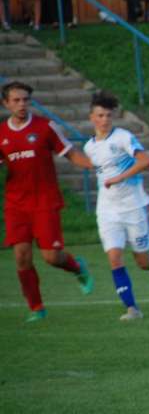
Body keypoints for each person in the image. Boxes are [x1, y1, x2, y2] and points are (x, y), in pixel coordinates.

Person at [0, 81, 95, 322]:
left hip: (44, 201)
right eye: (16, 100)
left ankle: (77, 268)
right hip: (16, 204)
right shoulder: (1, 133)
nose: (22, 104)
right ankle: (36, 308)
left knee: (52, 257)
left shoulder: (45, 127)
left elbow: (71, 153)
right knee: (21, 257)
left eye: (25, 100)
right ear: (6, 103)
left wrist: (95, 165)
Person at [83, 92, 149, 321]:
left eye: (108, 115)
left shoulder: (123, 137)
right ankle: (132, 308)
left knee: (142, 261)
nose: (105, 119)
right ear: (92, 117)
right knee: (114, 257)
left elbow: (145, 160)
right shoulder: (89, 148)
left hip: (133, 207)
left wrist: (120, 177)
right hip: (107, 211)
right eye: (100, 115)